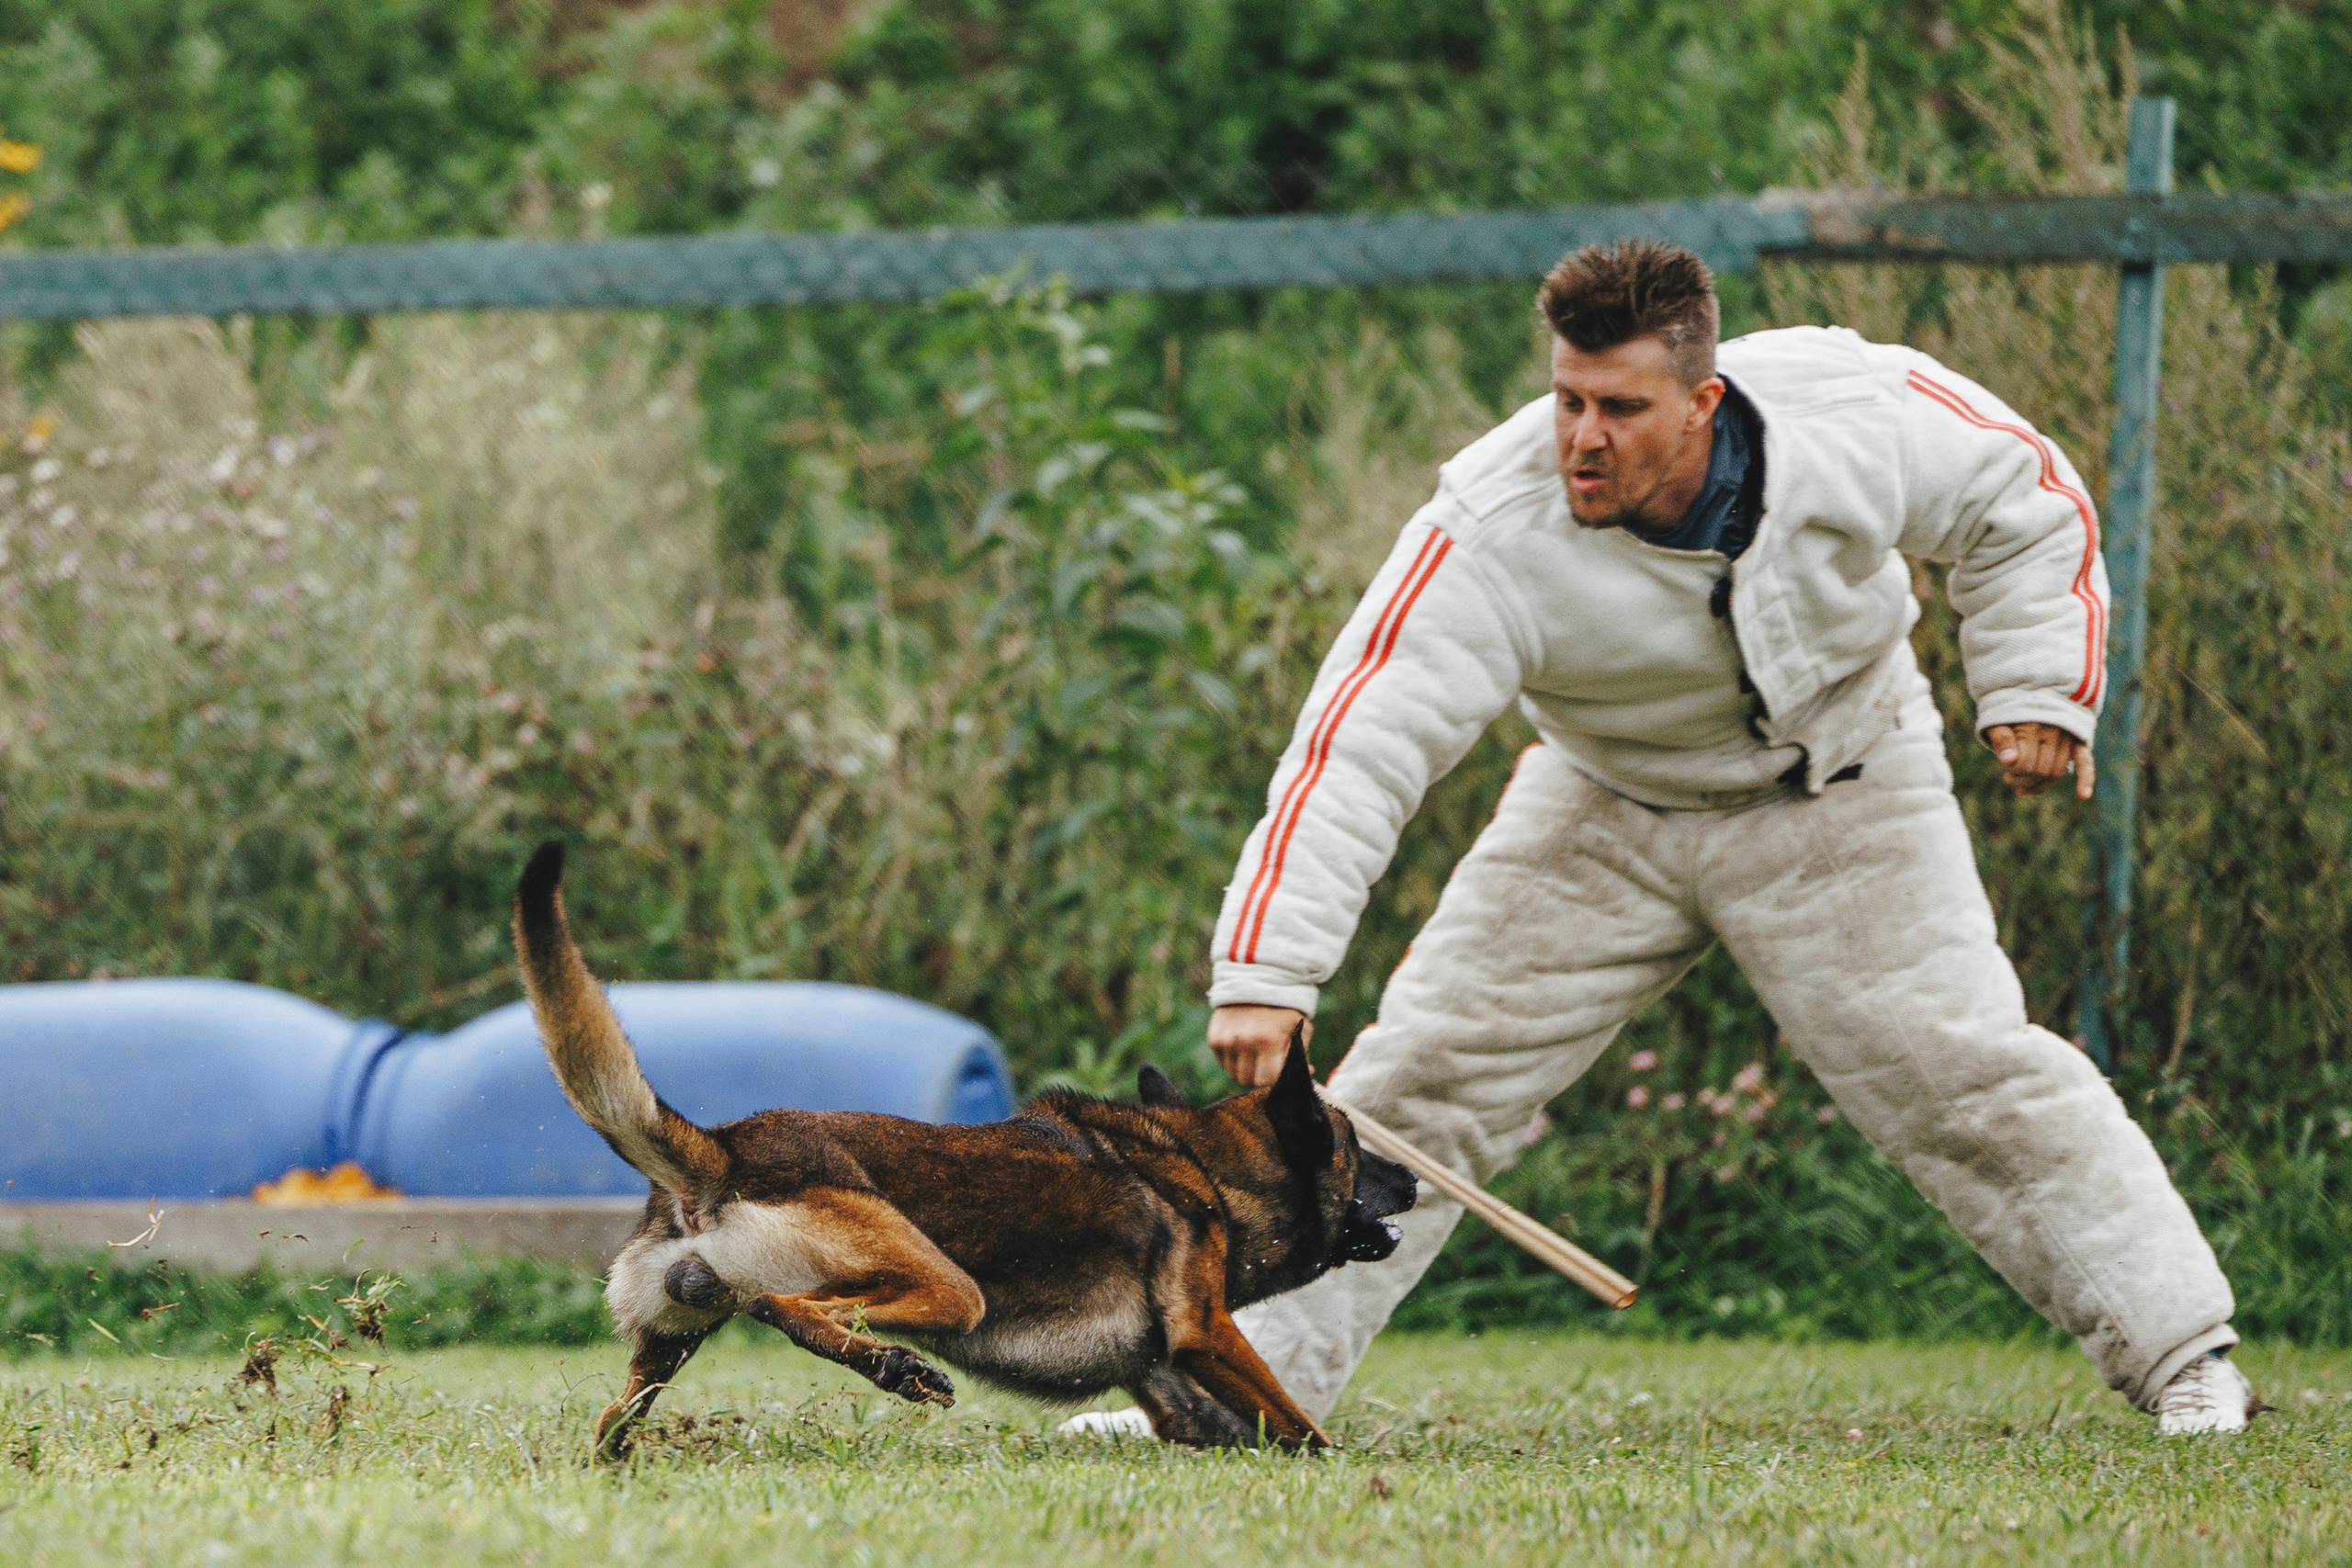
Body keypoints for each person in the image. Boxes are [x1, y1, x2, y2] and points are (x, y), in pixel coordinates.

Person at [1067, 239, 2256, 1441]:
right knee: (1407, 1095)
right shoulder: (1491, 522)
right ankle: (1232, 1399)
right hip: (1602, 811)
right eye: (1567, 401)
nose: (1582, 437)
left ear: (1704, 400)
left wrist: (2038, 689)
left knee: (1971, 1080)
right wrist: (1269, 970)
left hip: (1846, 785)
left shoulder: (1853, 410)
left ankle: (2183, 1361)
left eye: (1621, 409)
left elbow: (2028, 495)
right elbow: (1360, 740)